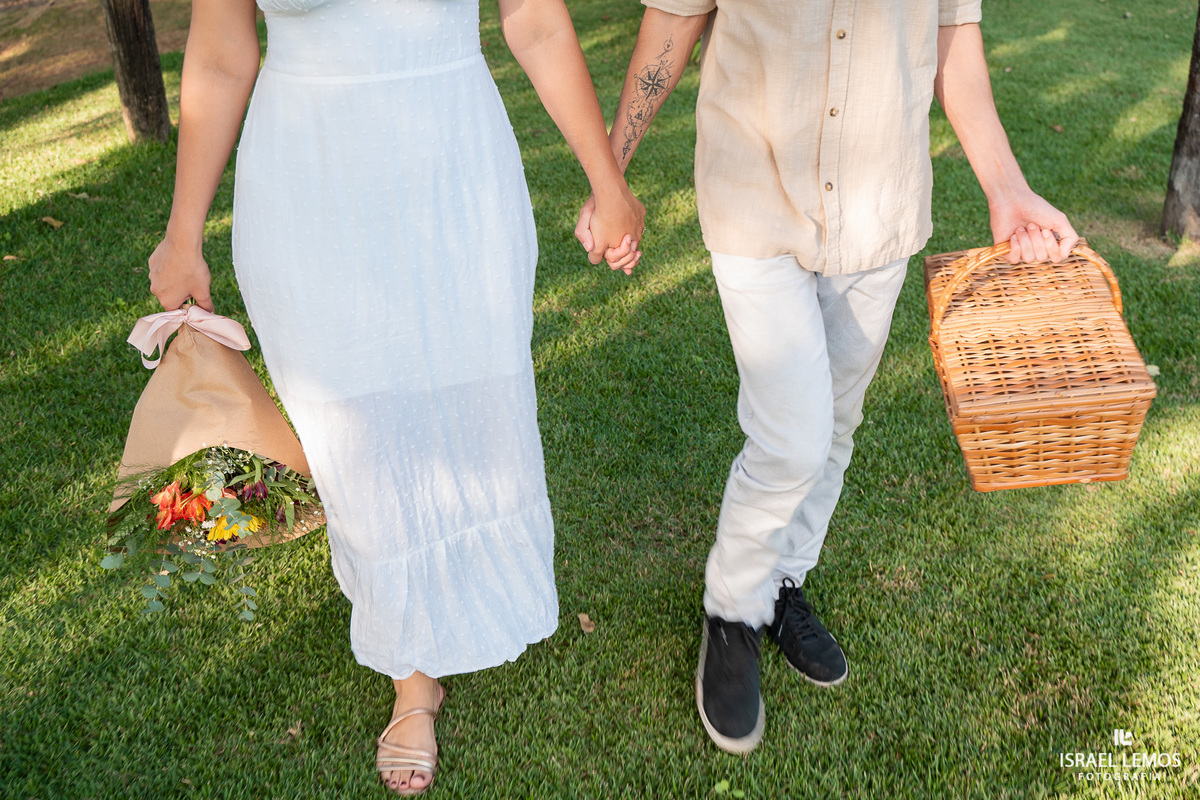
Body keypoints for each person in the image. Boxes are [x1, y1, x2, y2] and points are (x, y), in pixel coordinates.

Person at [147, 0, 644, 793]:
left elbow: (536, 19)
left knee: (477, 399)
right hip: (306, 186)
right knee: (354, 433)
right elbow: (218, 54)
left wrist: (606, 180)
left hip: (453, 169)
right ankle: (413, 673)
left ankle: (461, 595)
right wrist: (183, 231)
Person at [577, 1, 1078, 754]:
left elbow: (953, 35)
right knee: (793, 438)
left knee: (838, 421)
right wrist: (611, 172)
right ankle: (732, 609)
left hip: (881, 213)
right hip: (753, 198)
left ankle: (782, 580)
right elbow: (673, 23)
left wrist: (1005, 187)